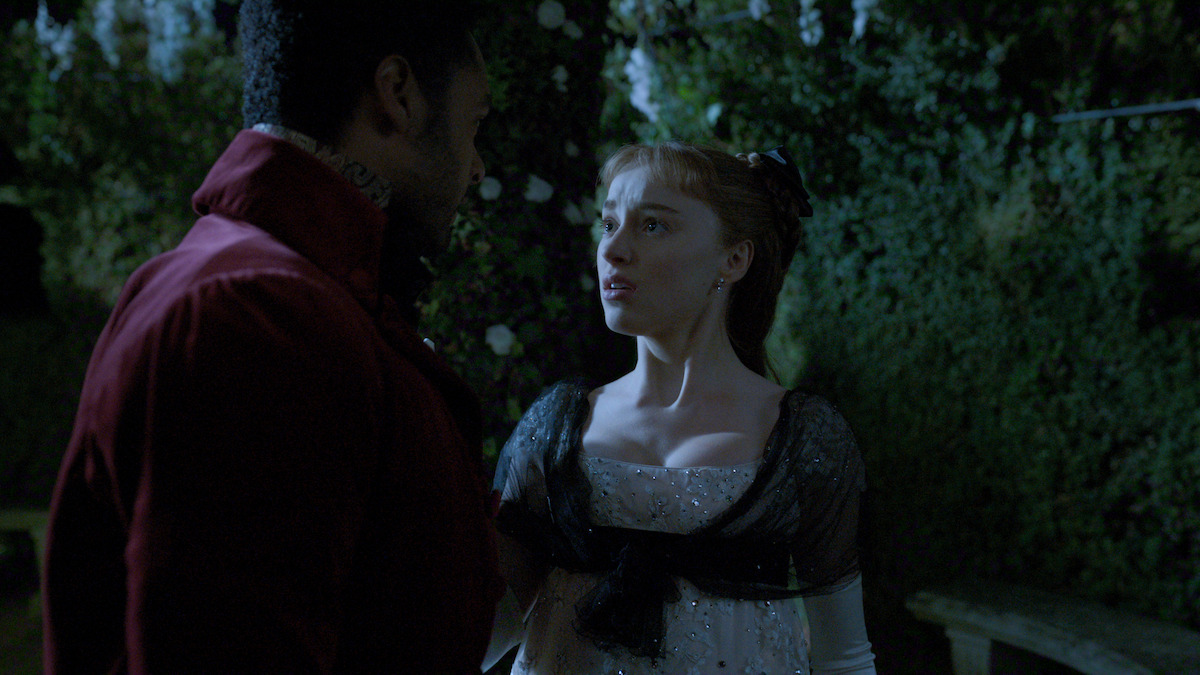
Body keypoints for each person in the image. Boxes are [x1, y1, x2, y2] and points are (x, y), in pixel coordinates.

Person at [42, 1, 502, 672]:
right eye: (474, 123)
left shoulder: (291, 288)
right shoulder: (258, 311)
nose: (477, 167)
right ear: (397, 94)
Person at [489, 142, 876, 674]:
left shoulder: (801, 439)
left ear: (734, 257)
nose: (613, 250)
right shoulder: (556, 428)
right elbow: (486, 627)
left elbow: (844, 656)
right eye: (608, 225)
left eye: (653, 226)